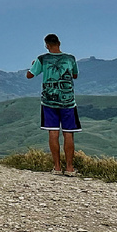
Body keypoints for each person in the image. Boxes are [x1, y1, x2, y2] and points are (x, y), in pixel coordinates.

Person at [26, 33, 81, 176]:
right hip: (68, 101)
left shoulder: (42, 59)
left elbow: (30, 75)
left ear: (47, 45)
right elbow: (75, 75)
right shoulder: (70, 58)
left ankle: (57, 167)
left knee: (53, 132)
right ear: (59, 43)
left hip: (49, 101)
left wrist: (34, 65)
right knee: (69, 134)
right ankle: (70, 168)